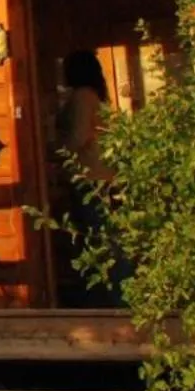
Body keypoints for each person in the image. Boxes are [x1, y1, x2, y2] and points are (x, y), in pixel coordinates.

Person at [53, 50, 122, 307]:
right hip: (102, 176)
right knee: (104, 237)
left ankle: (114, 298)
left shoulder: (82, 96)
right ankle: (111, 296)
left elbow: (78, 137)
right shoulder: (94, 96)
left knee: (100, 238)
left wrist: (58, 155)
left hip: (90, 178)